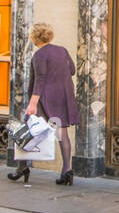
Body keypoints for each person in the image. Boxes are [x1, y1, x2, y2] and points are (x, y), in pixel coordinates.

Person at [8, 22, 79, 185]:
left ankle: (21, 168)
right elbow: (72, 70)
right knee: (62, 134)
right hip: (63, 96)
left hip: (44, 98)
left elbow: (39, 80)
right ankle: (67, 170)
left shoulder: (39, 55)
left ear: (34, 38)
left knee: (29, 130)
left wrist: (32, 103)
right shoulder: (62, 51)